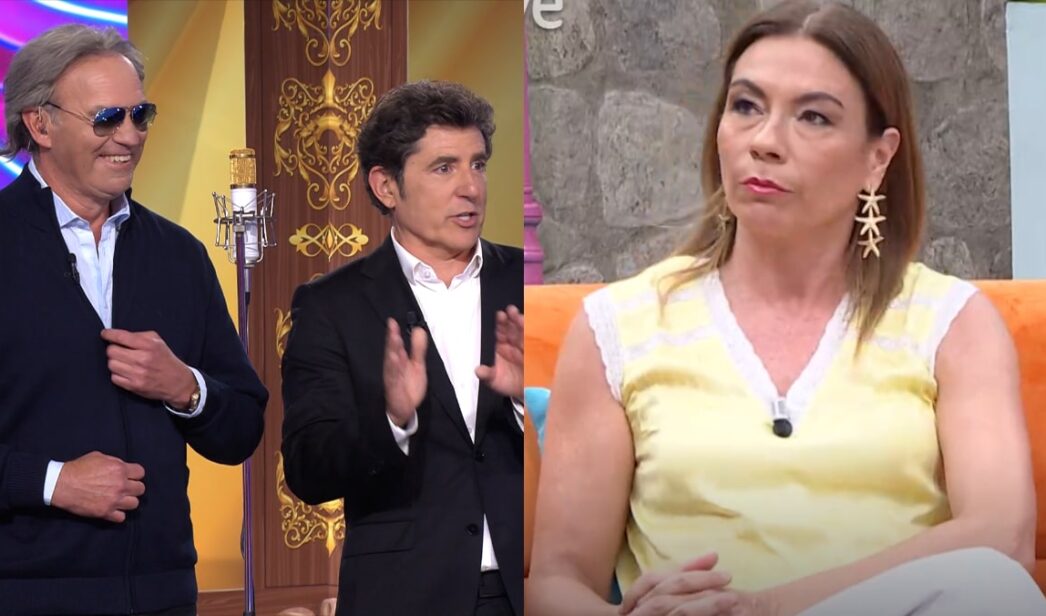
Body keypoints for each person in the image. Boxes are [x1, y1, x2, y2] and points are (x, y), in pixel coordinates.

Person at [526, 2, 1046, 615]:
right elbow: (555, 582)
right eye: (746, 106)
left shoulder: (951, 322)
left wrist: (763, 609)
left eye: (813, 117)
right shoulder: (617, 326)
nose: (765, 142)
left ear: (878, 158)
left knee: (995, 585)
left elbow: (1000, 535)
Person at [0, 25, 268, 615]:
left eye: (140, 115)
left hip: (162, 595)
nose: (129, 136)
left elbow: (243, 427)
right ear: (39, 124)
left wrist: (187, 389)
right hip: (25, 594)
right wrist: (50, 482)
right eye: (107, 118)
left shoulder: (179, 255)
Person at [280, 80, 524, 616]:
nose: (471, 188)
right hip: (405, 595)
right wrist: (391, 419)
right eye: (444, 168)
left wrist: (531, 400)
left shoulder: (526, 284)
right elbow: (307, 469)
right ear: (386, 186)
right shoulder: (332, 306)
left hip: (528, 588)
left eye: (478, 165)